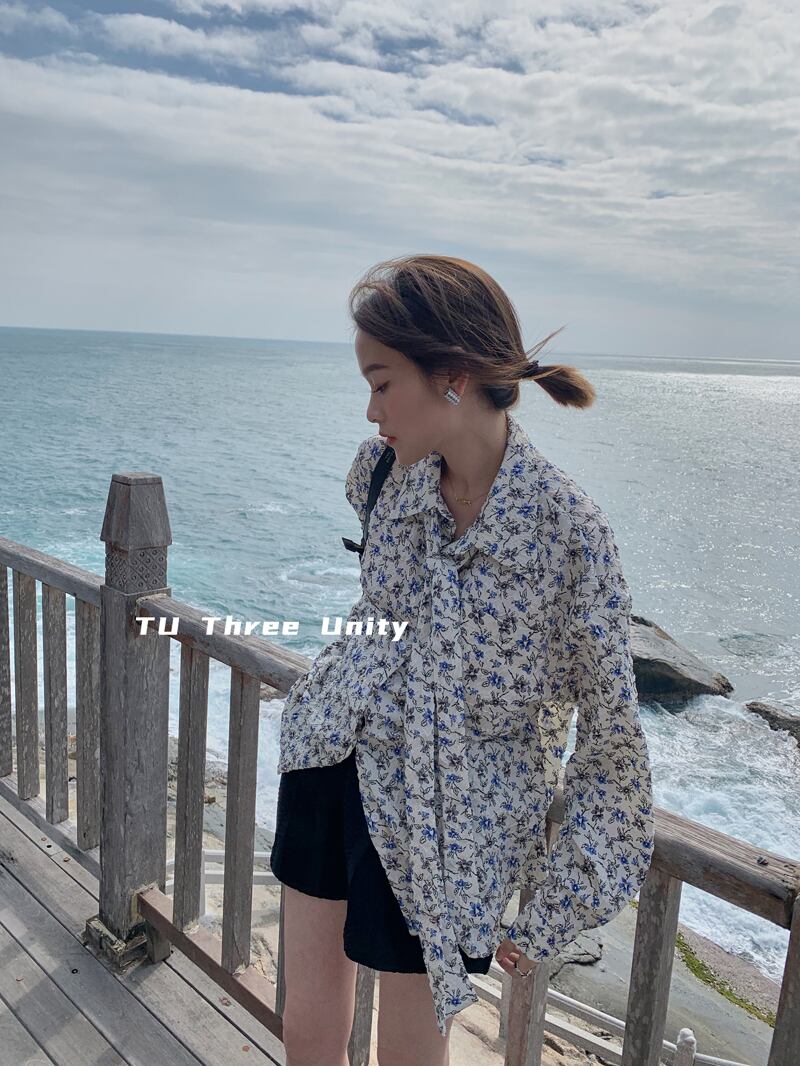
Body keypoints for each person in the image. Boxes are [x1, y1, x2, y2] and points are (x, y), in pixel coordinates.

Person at [269, 254, 654, 1066]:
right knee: (308, 1022)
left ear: (452, 376)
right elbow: (377, 615)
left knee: (409, 1049)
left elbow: (612, 743)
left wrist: (555, 907)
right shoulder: (383, 476)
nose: (370, 410)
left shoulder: (567, 531)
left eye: (381, 383)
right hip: (333, 752)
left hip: (450, 819)